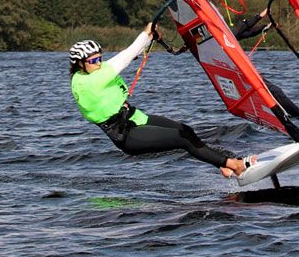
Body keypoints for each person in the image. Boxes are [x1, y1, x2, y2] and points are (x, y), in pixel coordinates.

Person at [69, 25, 248, 178]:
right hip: (128, 135)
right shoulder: (89, 81)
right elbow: (125, 57)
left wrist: (149, 37)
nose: (99, 63)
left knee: (185, 130)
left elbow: (129, 56)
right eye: (93, 60)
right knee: (183, 139)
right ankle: (234, 165)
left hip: (136, 118)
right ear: (80, 64)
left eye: (100, 57)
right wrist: (145, 33)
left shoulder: (91, 72)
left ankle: (223, 166)